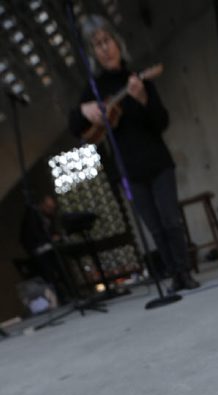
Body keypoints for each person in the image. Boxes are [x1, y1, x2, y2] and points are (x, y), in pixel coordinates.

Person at [68, 15, 199, 293]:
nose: (104, 48)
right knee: (153, 226)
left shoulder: (139, 80)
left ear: (117, 42)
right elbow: (76, 127)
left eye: (107, 40)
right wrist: (84, 111)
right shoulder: (94, 89)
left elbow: (161, 123)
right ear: (93, 53)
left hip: (157, 162)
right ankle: (174, 276)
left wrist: (142, 99)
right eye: (97, 44)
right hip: (127, 169)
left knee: (170, 220)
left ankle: (185, 272)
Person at [19, 194, 69, 303]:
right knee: (49, 273)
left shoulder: (49, 217)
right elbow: (33, 235)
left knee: (61, 267)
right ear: (42, 205)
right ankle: (60, 297)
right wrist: (48, 239)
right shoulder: (33, 215)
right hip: (39, 251)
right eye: (48, 207)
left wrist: (56, 237)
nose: (51, 210)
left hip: (49, 249)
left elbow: (52, 231)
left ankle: (69, 294)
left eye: (52, 208)